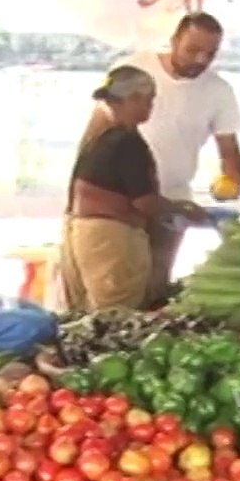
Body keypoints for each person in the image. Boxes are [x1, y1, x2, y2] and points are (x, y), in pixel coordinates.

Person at [78, 12, 240, 306]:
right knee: (116, 290)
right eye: (193, 49)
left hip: (171, 201)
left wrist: (232, 181)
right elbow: (95, 132)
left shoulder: (219, 90)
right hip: (121, 206)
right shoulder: (135, 69)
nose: (200, 59)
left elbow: (230, 152)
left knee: (156, 283)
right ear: (174, 40)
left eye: (210, 53)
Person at [61, 66, 208, 311]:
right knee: (118, 312)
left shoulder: (102, 137)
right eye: (147, 99)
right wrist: (182, 209)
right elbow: (144, 202)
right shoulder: (125, 142)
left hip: (85, 234)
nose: (150, 106)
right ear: (131, 99)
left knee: (92, 311)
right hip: (111, 237)